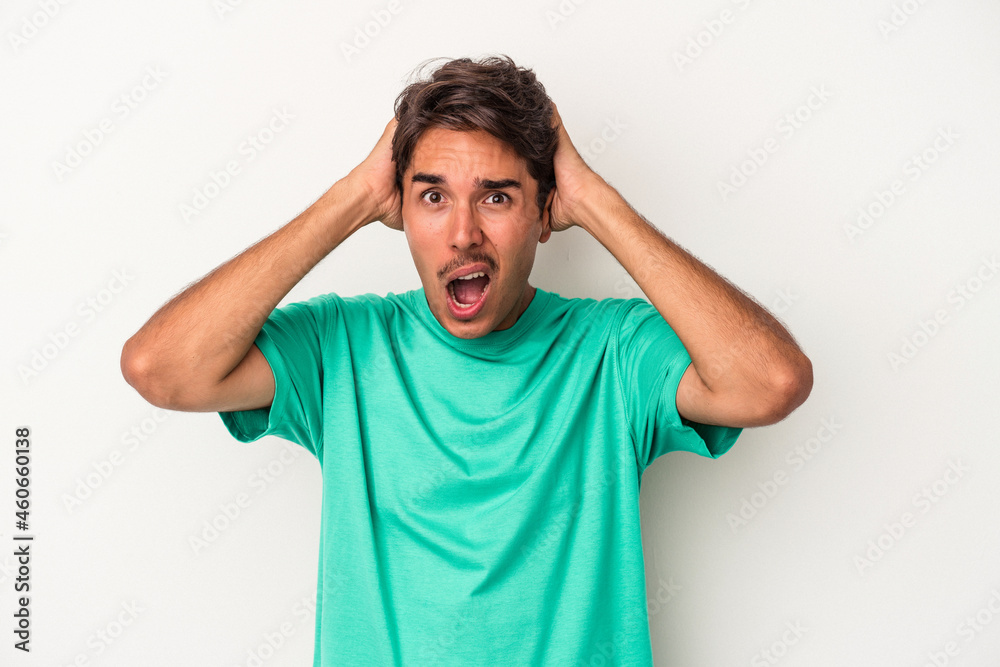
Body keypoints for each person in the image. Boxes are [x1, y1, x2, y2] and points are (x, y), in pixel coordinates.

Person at [121, 54, 812, 666]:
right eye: (432, 196)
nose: (462, 233)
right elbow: (161, 366)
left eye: (497, 195)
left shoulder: (613, 353)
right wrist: (356, 194)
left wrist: (596, 201)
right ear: (400, 207)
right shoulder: (345, 346)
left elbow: (770, 382)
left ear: (545, 212)